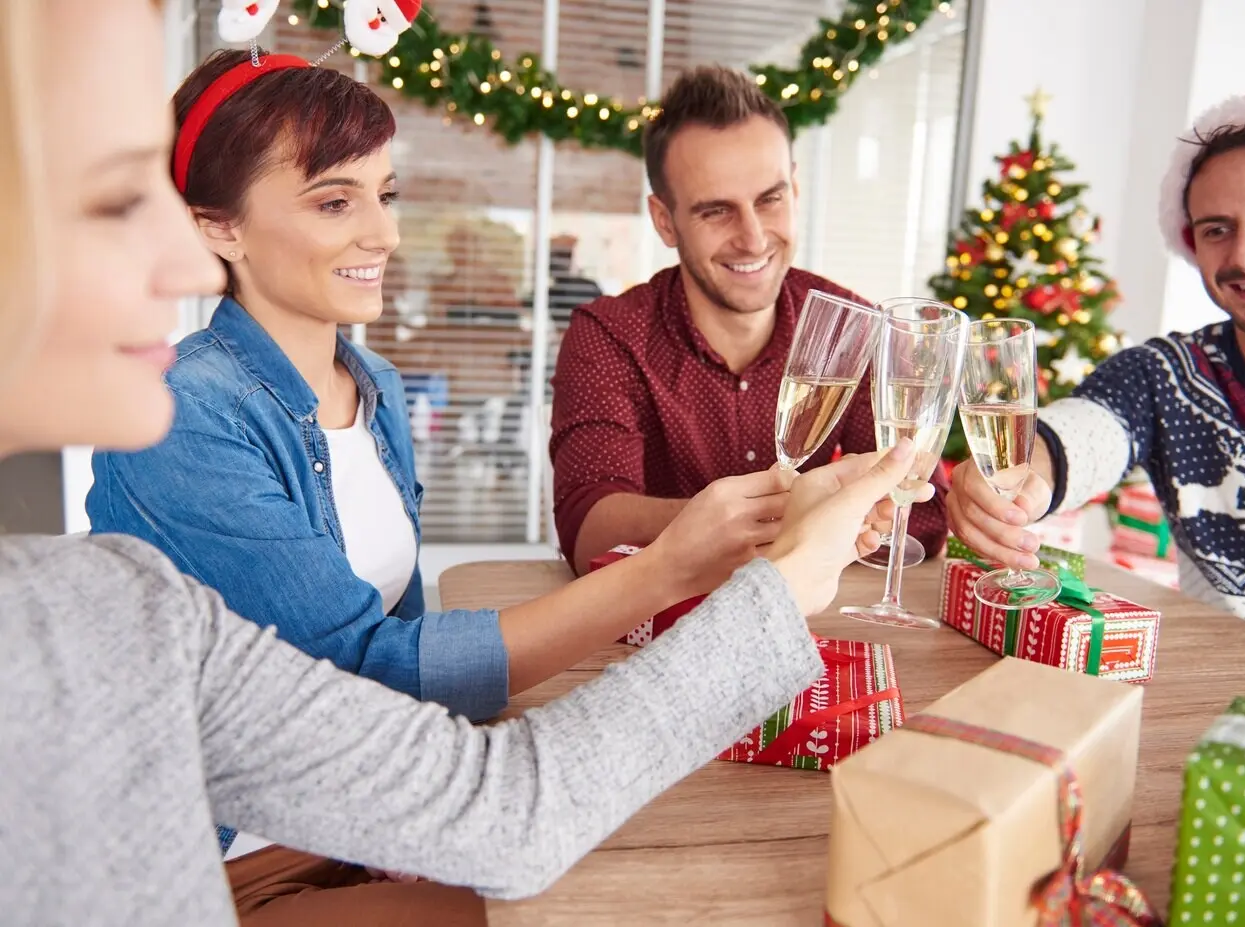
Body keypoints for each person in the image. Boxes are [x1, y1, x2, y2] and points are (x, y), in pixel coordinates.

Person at [0, 1, 924, 923]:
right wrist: (703, 565)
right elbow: (389, 673)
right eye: (335, 201)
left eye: (386, 194)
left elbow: (411, 711)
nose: (385, 234)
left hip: (371, 817)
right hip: (259, 853)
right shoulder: (187, 424)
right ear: (219, 227)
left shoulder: (368, 389)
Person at [946, 73, 1245, 674]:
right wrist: (1020, 478)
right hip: (1219, 704)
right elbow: (1080, 433)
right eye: (1216, 229)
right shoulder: (1167, 376)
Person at [549, 65, 950, 574]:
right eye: (716, 211)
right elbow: (588, 531)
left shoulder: (857, 327)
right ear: (665, 221)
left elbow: (925, 516)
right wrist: (792, 515)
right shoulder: (609, 335)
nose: (754, 238)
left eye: (770, 199)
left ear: (794, 189)